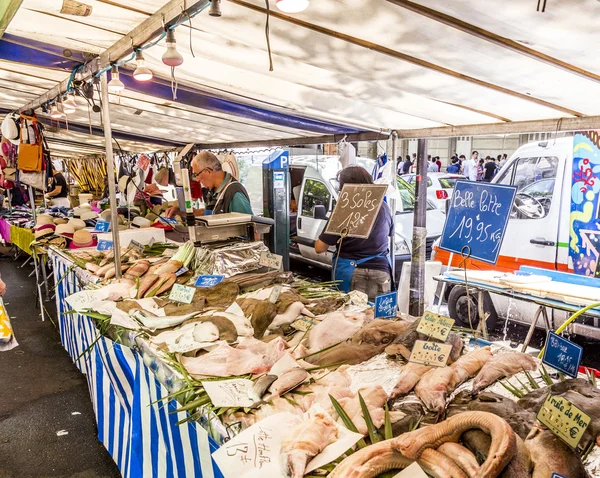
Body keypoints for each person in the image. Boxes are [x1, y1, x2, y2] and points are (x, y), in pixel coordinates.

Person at [314, 166, 393, 300]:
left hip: (352, 272)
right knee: (378, 316)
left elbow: (319, 248)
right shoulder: (384, 207)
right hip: (381, 271)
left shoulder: (345, 208)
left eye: (341, 186)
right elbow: (388, 233)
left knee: (351, 315)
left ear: (348, 187)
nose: (340, 190)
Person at [165, 151, 252, 217]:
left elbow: (252, 229)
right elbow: (207, 214)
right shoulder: (213, 192)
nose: (197, 179)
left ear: (208, 171)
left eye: (197, 174)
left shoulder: (234, 193)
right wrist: (180, 211)